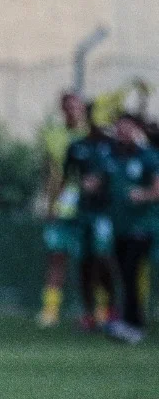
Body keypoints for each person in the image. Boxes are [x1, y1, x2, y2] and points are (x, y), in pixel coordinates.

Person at [101, 114, 159, 344]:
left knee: (132, 272)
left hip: (142, 226)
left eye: (127, 128)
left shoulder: (148, 157)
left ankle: (135, 325)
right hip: (119, 226)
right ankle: (126, 321)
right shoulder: (112, 155)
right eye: (119, 128)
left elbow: (156, 190)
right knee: (123, 275)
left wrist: (142, 195)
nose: (122, 132)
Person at [63, 106, 119, 330]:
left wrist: (102, 182)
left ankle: (111, 309)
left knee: (104, 259)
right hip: (83, 212)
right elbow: (68, 178)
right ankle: (88, 313)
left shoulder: (115, 147)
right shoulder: (77, 146)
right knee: (84, 262)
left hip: (107, 212)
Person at [36, 92, 89, 328]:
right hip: (62, 203)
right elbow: (49, 171)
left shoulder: (92, 134)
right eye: (67, 107)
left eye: (76, 106)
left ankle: (97, 310)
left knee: (94, 259)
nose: (72, 110)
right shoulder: (53, 134)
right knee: (57, 257)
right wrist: (48, 203)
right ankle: (50, 310)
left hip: (90, 204)